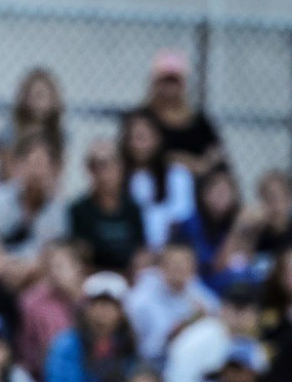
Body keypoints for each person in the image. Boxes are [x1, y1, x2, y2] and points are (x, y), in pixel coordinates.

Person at [43, 272, 137, 382]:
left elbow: (134, 381)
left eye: (111, 306)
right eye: (97, 304)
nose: (103, 312)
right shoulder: (66, 343)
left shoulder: (127, 346)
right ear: (86, 308)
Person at [0, 133, 66, 271]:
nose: (36, 172)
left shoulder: (57, 210)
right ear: (18, 165)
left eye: (42, 164)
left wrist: (29, 268)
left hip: (34, 276)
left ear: (53, 170)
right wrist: (4, 264)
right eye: (31, 163)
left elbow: (54, 252)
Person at [126, 243, 218, 366]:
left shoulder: (196, 291)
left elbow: (217, 314)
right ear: (161, 266)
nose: (179, 268)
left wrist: (206, 318)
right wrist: (168, 338)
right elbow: (137, 344)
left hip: (188, 362)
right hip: (147, 362)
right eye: (174, 263)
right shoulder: (141, 296)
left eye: (185, 263)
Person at [67, 137, 147, 275]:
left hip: (130, 279)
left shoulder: (133, 209)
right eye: (94, 165)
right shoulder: (79, 210)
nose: (101, 172)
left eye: (106, 164)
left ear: (120, 166)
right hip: (93, 278)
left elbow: (141, 251)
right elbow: (81, 256)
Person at [121, 109, 195, 250]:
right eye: (132, 138)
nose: (136, 144)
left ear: (158, 138)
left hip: (170, 250)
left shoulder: (178, 175)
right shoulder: (121, 177)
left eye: (142, 137)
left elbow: (182, 218)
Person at [141, 50, 223, 175]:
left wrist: (199, 165)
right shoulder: (144, 117)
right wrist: (175, 160)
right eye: (165, 81)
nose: (169, 88)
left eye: (174, 81)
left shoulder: (197, 120)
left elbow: (215, 151)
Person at [17, 242, 84, 377]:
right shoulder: (31, 302)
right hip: (44, 373)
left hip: (85, 371)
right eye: (50, 267)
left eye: (60, 266)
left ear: (77, 267)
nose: (54, 272)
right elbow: (25, 346)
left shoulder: (91, 297)